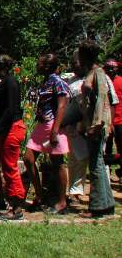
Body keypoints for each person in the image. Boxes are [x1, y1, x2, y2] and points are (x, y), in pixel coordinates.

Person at [23, 53, 70, 214]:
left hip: (52, 125)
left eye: (41, 64)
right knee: (28, 159)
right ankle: (40, 196)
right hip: (41, 125)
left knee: (58, 163)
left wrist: (55, 130)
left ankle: (62, 201)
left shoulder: (58, 82)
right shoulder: (46, 82)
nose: (38, 66)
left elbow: (62, 106)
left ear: (48, 66)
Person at [0, 55, 26, 220]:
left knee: (9, 167)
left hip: (12, 129)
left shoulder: (11, 83)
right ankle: (0, 201)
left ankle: (16, 207)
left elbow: (10, 110)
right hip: (3, 131)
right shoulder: (3, 83)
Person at [77, 41, 116, 218]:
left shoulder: (98, 73)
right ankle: (107, 204)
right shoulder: (92, 72)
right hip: (91, 123)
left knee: (96, 165)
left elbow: (101, 99)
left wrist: (96, 124)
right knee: (98, 162)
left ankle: (98, 206)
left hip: (97, 125)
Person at [65, 51, 90, 208]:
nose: (73, 66)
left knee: (91, 159)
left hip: (90, 125)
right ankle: (74, 192)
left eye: (76, 62)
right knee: (74, 159)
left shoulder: (95, 78)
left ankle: (97, 193)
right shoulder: (71, 81)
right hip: (73, 126)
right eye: (72, 63)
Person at [104, 59, 121, 179]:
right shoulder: (103, 81)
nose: (110, 69)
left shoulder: (120, 81)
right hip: (106, 120)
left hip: (120, 120)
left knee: (120, 147)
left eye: (113, 67)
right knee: (107, 147)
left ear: (117, 68)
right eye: (108, 67)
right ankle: (107, 172)